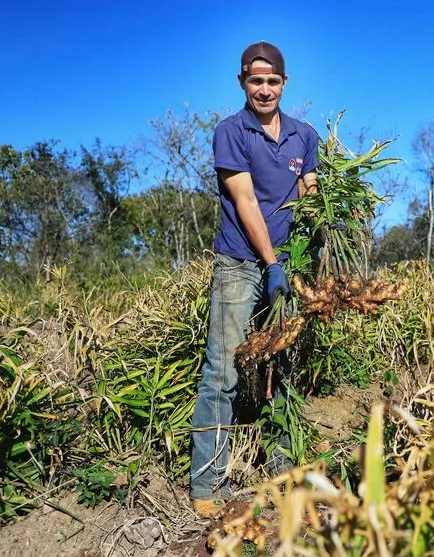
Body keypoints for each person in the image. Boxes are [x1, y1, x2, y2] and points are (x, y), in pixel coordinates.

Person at [190, 41, 319, 517]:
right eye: (255, 81)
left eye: (272, 81)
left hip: (290, 265)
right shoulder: (231, 131)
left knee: (282, 367)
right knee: (223, 370)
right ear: (243, 83)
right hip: (242, 263)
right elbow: (245, 202)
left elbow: (309, 189)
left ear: (285, 84)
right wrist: (272, 263)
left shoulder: (304, 135)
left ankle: (281, 468)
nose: (264, 90)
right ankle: (207, 485)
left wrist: (324, 217)